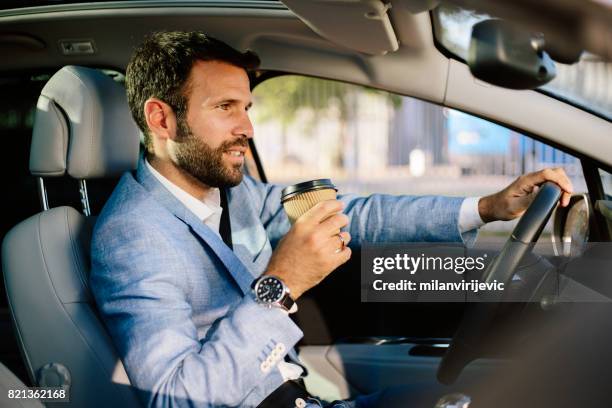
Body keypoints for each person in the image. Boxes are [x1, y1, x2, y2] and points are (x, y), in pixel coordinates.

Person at [89, 31, 574, 408]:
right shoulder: (133, 236)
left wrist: (486, 207)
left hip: (303, 396)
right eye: (225, 108)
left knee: (510, 392)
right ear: (161, 119)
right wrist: (280, 286)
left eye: (247, 108)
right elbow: (177, 396)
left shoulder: (227, 194)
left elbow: (355, 214)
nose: (247, 128)